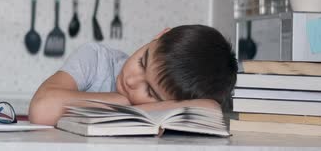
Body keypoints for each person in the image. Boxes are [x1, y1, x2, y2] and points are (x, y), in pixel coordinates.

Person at [29, 25, 238, 125]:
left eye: (149, 91)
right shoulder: (96, 59)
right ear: (160, 34)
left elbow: (211, 108)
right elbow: (41, 109)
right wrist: (130, 104)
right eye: (142, 61)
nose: (131, 80)